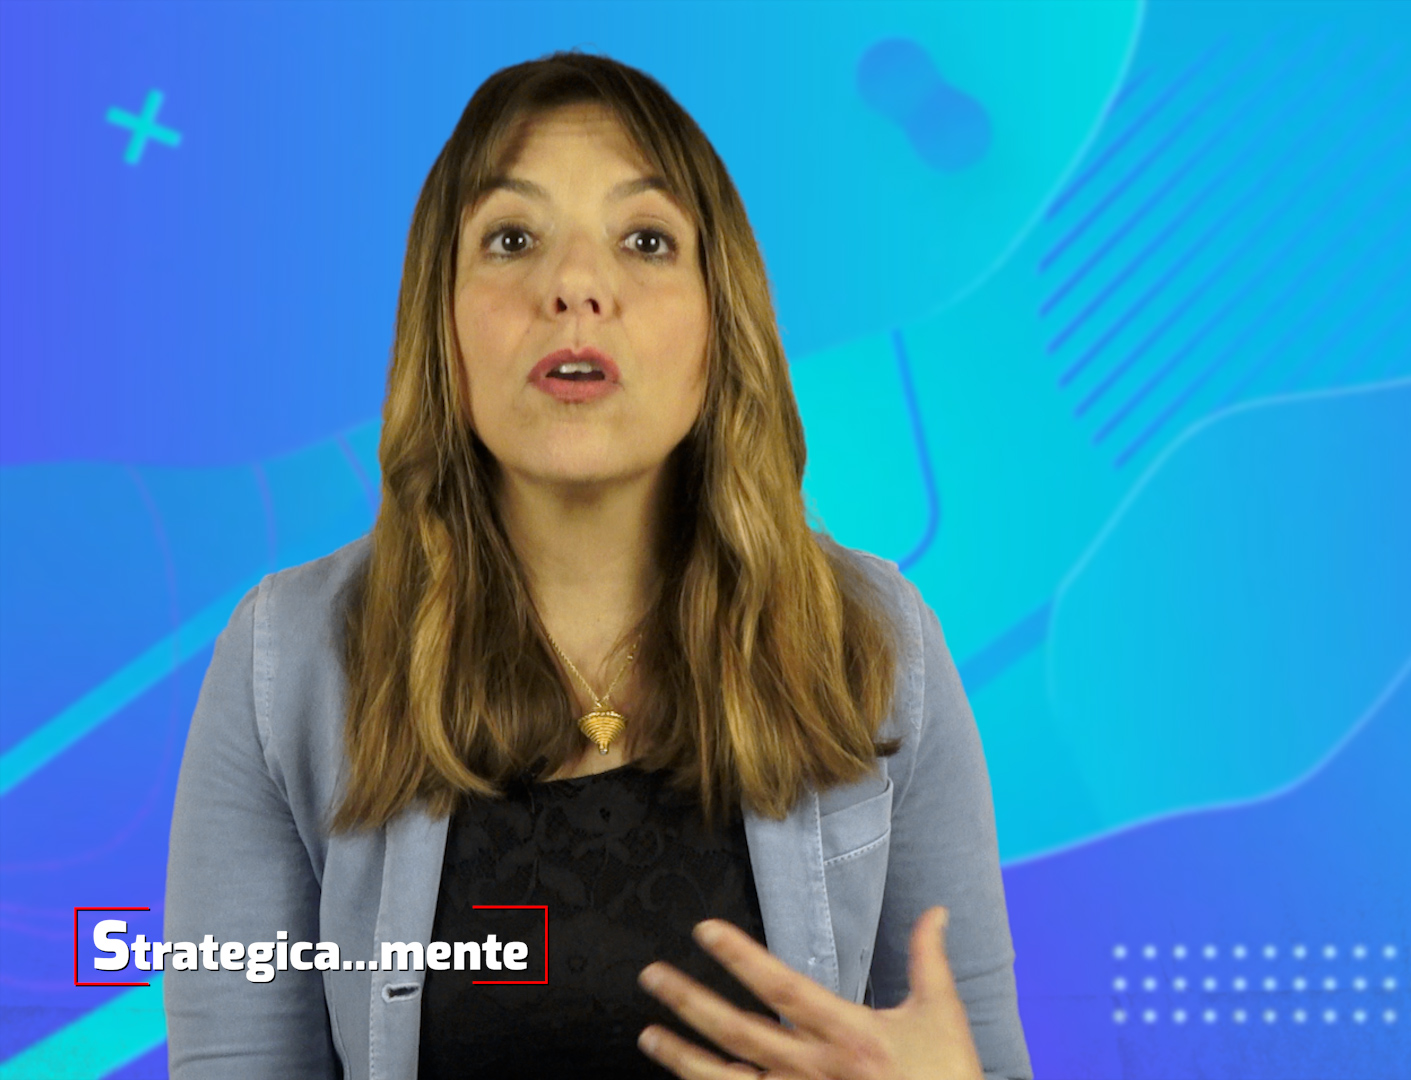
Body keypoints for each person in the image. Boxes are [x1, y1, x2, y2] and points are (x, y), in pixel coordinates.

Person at [162, 50, 1028, 1080]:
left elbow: (972, 1054)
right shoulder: (284, 662)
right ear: (442, 320)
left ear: (720, 324)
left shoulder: (878, 645)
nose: (574, 286)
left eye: (645, 240)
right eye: (512, 239)